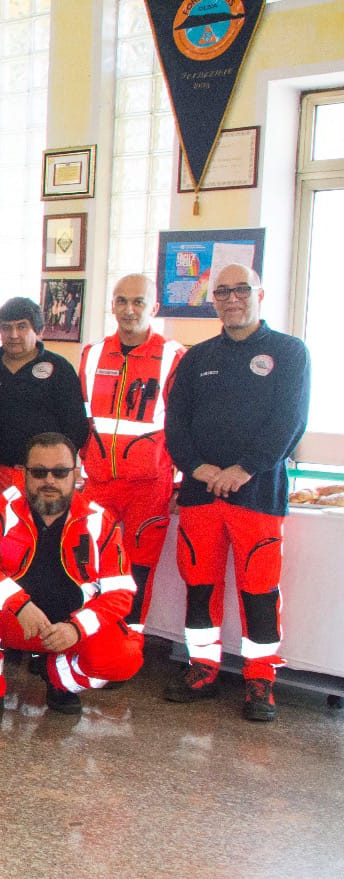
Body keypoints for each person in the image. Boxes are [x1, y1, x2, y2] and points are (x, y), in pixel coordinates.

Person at [163, 264, 310, 722]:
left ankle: (260, 679)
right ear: (213, 300)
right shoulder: (196, 357)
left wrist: (244, 469)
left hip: (258, 492)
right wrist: (199, 468)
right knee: (200, 583)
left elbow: (289, 422)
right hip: (201, 493)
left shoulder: (289, 352)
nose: (232, 298)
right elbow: (176, 423)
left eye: (241, 289)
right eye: (222, 291)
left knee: (259, 588)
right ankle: (202, 668)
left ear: (259, 294)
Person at [0, 432, 144, 723]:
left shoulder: (98, 521)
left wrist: (76, 629)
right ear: (25, 474)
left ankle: (59, 678)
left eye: (60, 472)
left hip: (67, 630)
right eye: (40, 472)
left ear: (76, 474)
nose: (49, 481)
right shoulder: (4, 509)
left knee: (125, 656)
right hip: (17, 622)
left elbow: (120, 593)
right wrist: (19, 604)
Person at [78, 274, 184, 633]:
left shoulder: (173, 356)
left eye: (138, 301)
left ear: (154, 307)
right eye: (121, 301)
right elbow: (82, 419)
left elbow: (183, 425)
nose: (129, 309)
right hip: (98, 482)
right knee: (88, 563)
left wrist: (180, 483)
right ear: (112, 305)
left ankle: (126, 644)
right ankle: (87, 635)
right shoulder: (92, 354)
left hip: (149, 485)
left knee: (138, 568)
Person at [0, 296, 88, 496]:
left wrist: (58, 469)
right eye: (6, 327)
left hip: (47, 475)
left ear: (39, 331)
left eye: (22, 327)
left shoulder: (59, 369)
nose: (14, 334)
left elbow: (76, 426)